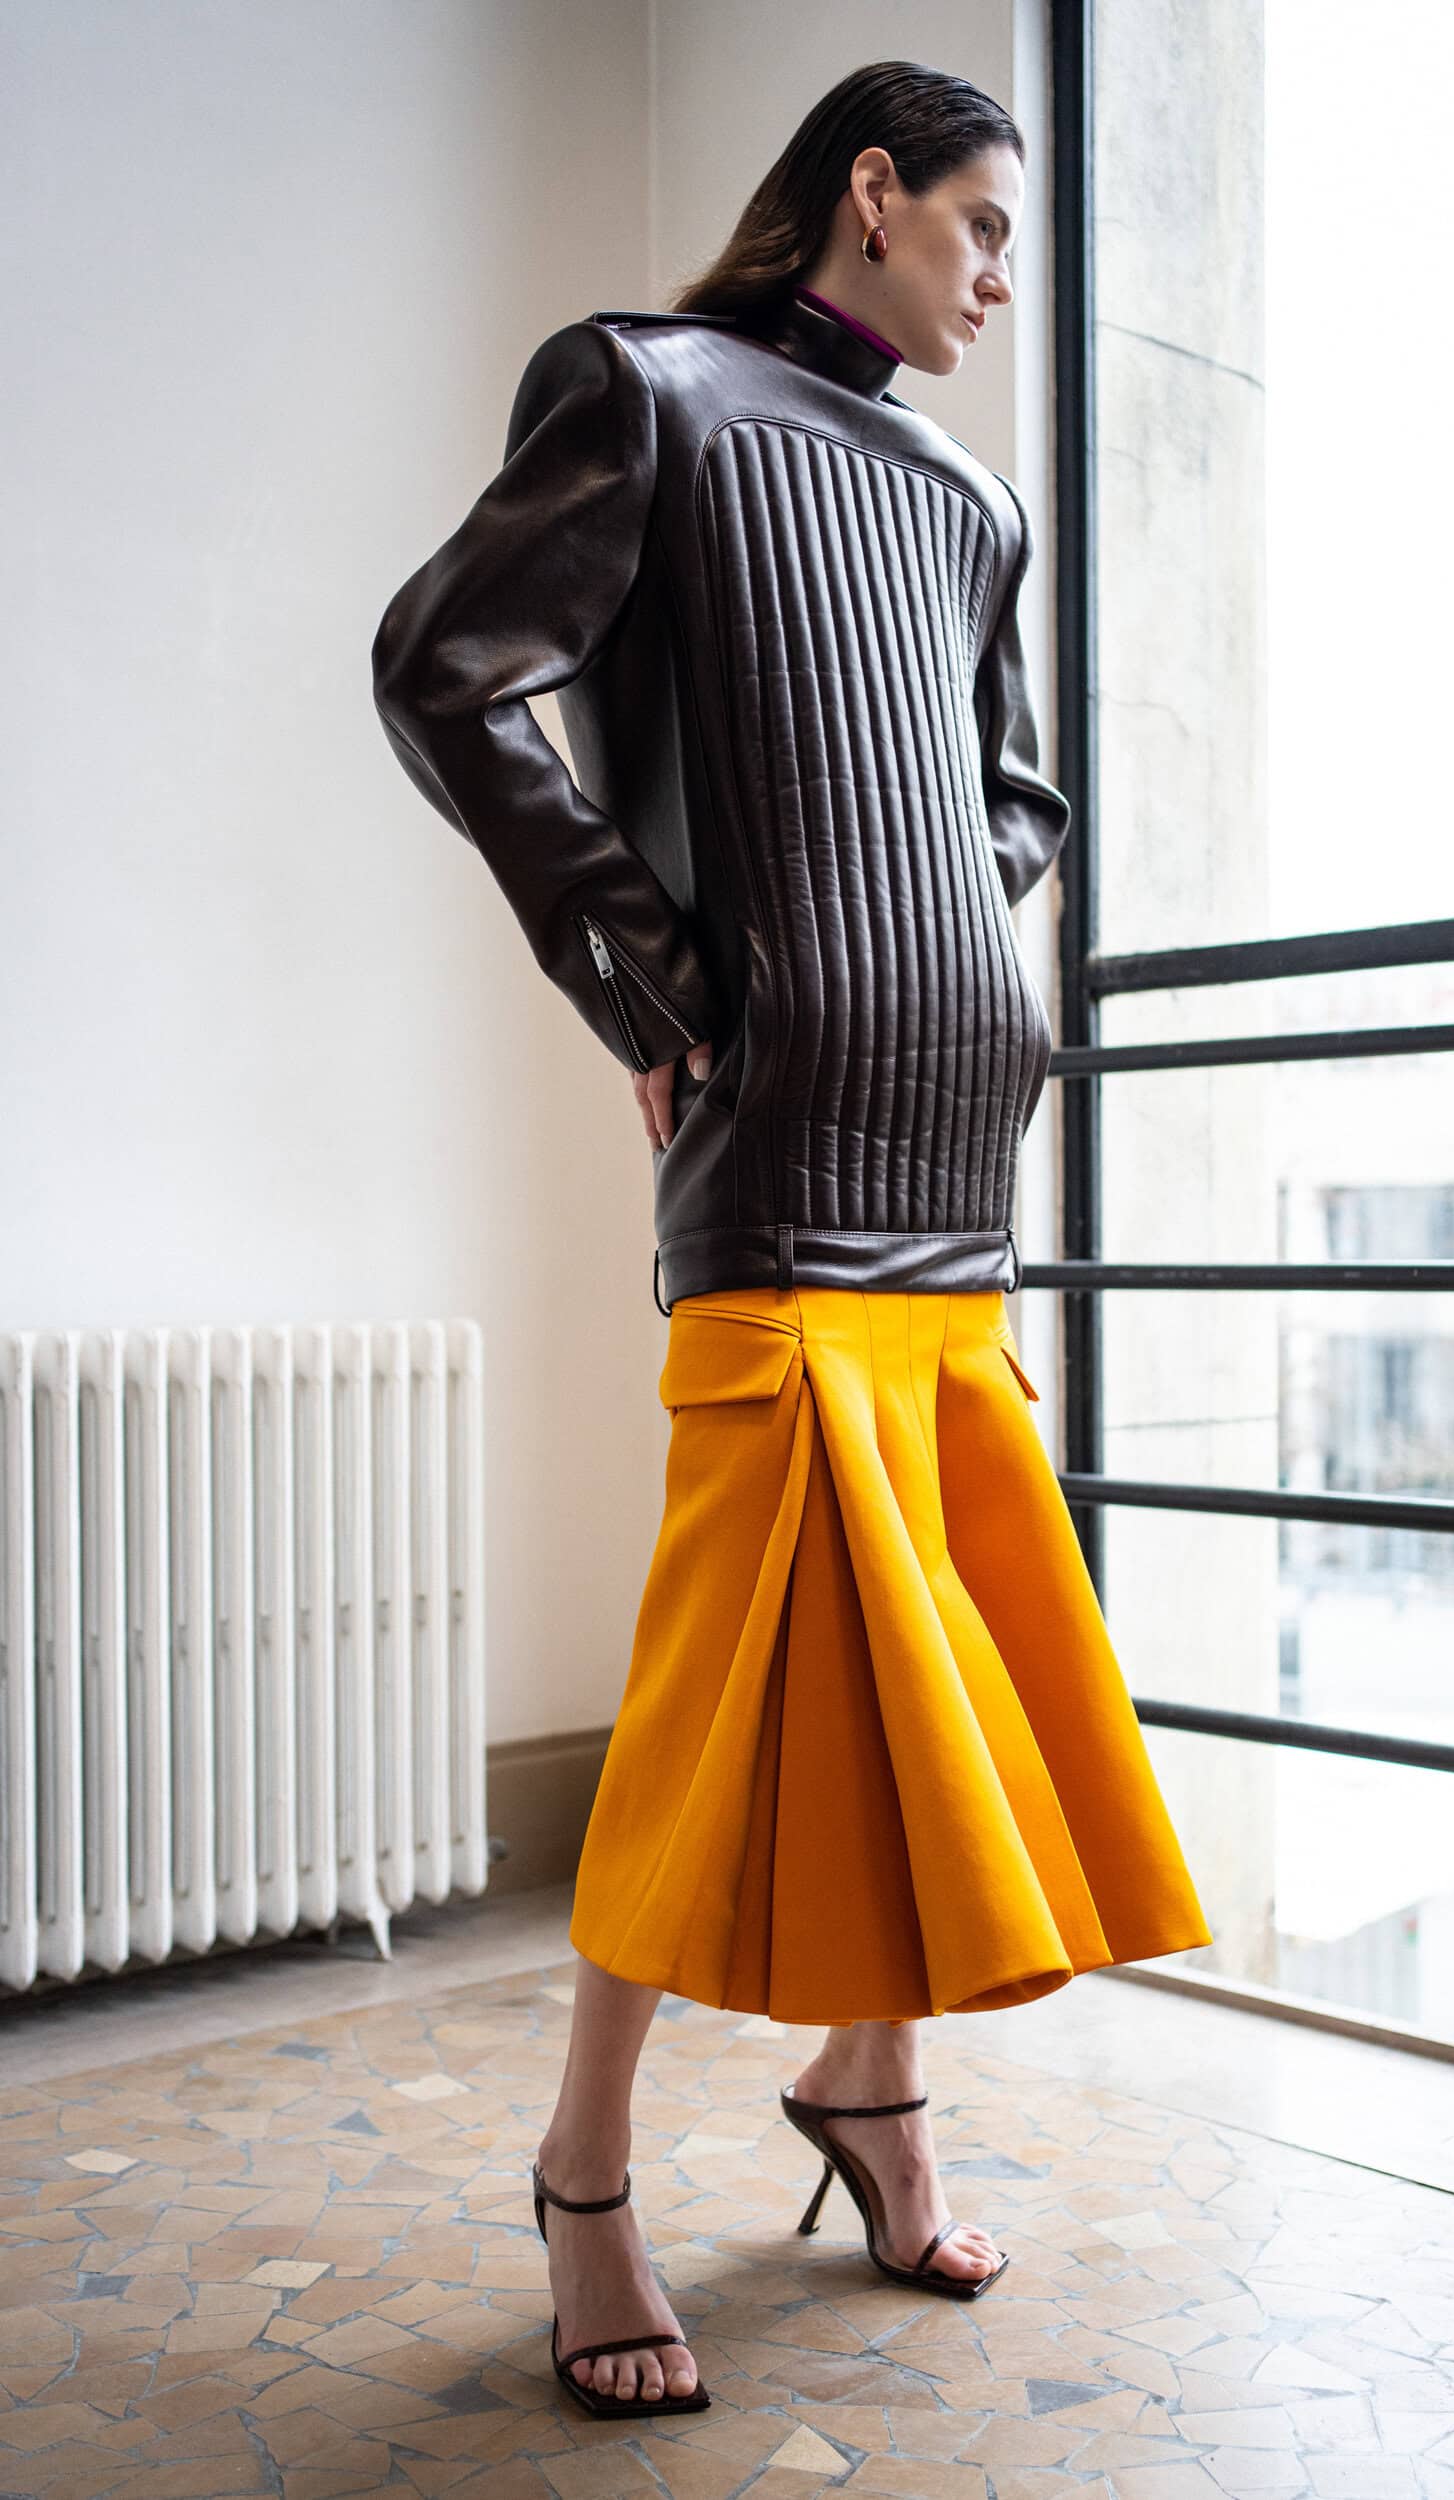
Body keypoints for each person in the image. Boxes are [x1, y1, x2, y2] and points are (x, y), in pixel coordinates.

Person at [371, 57, 1212, 2426]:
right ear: (871, 190)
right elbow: (447, 667)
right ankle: (584, 2169)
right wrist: (654, 979)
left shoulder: (973, 501)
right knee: (712, 1700)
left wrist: (929, 940)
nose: (1000, 275)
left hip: (959, 1167)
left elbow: (1013, 792)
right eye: (981, 223)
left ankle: (875, 2088)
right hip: (778, 1158)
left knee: (924, 1671)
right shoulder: (644, 392)